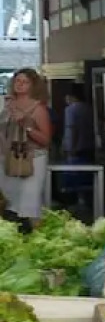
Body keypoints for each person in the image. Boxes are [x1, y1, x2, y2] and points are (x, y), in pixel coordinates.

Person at [0, 68, 52, 224]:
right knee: (8, 203)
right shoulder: (7, 106)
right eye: (17, 81)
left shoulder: (38, 109)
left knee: (29, 205)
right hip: (7, 161)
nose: (20, 85)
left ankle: (35, 235)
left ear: (33, 85)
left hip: (32, 161)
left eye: (25, 82)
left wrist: (26, 125)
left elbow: (46, 140)